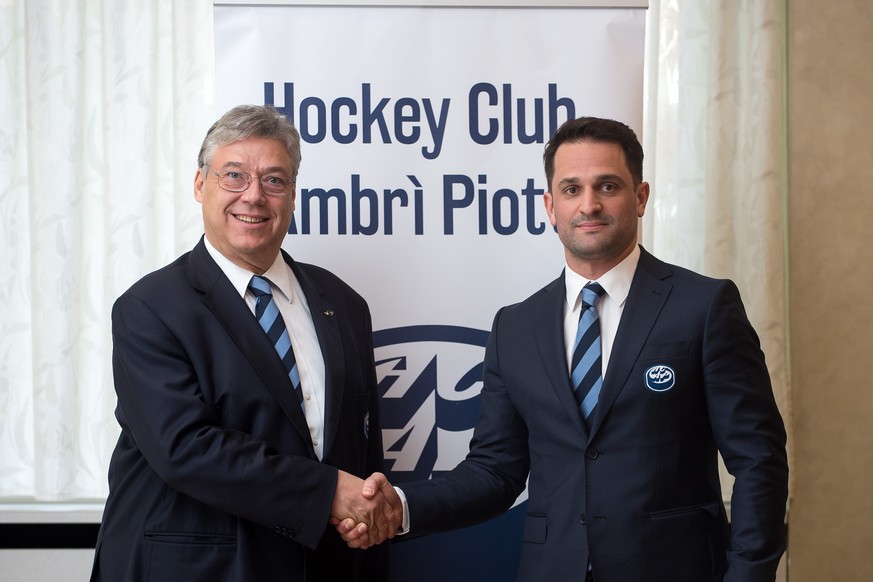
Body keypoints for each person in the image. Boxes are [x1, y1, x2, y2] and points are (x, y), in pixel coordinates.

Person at [340, 116, 789, 581]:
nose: (589, 204)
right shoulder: (515, 326)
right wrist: (401, 505)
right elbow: (495, 472)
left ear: (640, 198)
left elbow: (759, 460)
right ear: (550, 207)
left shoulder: (704, 307)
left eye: (608, 186)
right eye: (572, 189)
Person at [90, 104, 400, 582]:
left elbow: (361, 451)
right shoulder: (149, 309)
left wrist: (366, 516)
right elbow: (186, 448)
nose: (254, 196)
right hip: (198, 569)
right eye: (234, 176)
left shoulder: (344, 304)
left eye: (274, 180)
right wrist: (326, 492)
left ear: (293, 195)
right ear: (200, 186)